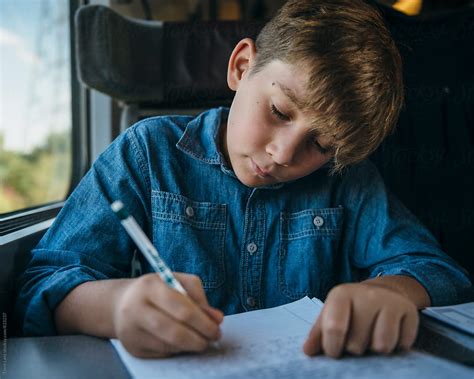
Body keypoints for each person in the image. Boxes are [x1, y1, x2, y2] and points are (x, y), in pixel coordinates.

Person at [15, 0, 471, 360]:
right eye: (278, 111)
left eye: (322, 146)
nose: (283, 153)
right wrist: (115, 308)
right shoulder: (146, 153)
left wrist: (389, 291)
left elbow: (441, 272)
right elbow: (43, 283)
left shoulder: (348, 182)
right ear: (241, 67)